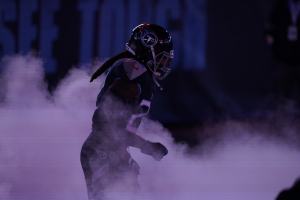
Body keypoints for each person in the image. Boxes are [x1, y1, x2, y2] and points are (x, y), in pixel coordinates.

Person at [80, 23, 173, 200]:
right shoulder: (132, 71)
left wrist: (124, 154)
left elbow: (118, 129)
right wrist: (146, 146)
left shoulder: (140, 76)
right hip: (101, 152)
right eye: (162, 58)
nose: (165, 63)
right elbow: (105, 126)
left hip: (108, 151)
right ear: (148, 48)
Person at [265, 0, 300, 102]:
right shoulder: (280, 6)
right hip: (283, 54)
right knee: (283, 86)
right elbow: (269, 29)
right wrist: (272, 45)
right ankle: (283, 110)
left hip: (298, 52)